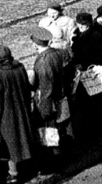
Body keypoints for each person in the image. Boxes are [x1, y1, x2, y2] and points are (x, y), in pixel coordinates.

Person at [0, 44, 36, 184]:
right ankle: (24, 166)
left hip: (6, 114)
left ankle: (13, 174)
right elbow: (27, 88)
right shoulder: (19, 67)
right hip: (21, 108)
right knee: (22, 137)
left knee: (9, 144)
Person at [30, 27, 73, 164]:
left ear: (35, 43)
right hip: (60, 96)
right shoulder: (55, 53)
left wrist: (45, 108)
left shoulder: (43, 61)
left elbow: (46, 87)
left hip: (50, 101)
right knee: (61, 128)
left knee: (50, 132)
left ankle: (56, 160)